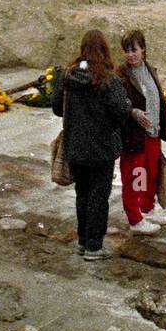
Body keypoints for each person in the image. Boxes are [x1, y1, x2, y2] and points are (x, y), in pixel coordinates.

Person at [52, 29, 132, 261]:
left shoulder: (68, 76)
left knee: (82, 194)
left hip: (75, 147)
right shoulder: (108, 79)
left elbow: (57, 108)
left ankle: (82, 241)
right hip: (101, 148)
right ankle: (94, 246)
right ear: (105, 50)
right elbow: (120, 112)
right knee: (98, 196)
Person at [117, 29, 166, 234]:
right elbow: (119, 103)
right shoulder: (122, 75)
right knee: (134, 176)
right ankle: (135, 218)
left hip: (152, 133)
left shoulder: (149, 69)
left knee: (150, 174)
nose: (130, 54)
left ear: (143, 49)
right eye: (127, 51)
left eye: (134, 50)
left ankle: (148, 209)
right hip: (134, 135)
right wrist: (134, 112)